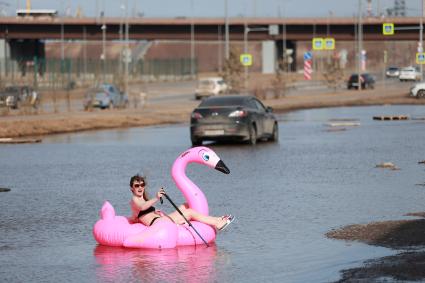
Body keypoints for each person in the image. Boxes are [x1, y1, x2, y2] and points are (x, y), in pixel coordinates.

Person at [129, 174, 234, 230]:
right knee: (189, 212)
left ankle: (217, 218)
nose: (140, 188)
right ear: (132, 188)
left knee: (185, 205)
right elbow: (142, 207)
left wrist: (155, 212)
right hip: (158, 224)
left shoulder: (143, 199)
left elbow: (139, 214)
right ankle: (217, 223)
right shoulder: (135, 199)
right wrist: (156, 197)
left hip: (161, 220)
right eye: (136, 186)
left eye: (142, 185)